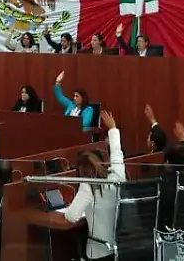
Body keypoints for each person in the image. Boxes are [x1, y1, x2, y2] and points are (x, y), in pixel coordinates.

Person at [60, 110, 125, 260]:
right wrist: (113, 129)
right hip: (121, 249)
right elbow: (117, 154)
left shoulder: (87, 186)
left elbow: (71, 216)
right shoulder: (117, 176)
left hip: (100, 252)